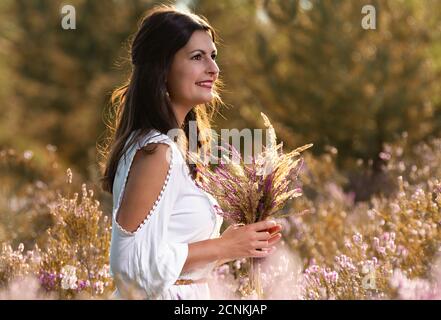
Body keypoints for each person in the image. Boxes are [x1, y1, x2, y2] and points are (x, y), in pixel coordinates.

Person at [100, 4, 282, 300]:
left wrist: (239, 244)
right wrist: (223, 247)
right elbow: (129, 267)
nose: (214, 68)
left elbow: (168, 260)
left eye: (213, 56)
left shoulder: (172, 146)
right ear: (162, 68)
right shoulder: (156, 151)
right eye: (197, 57)